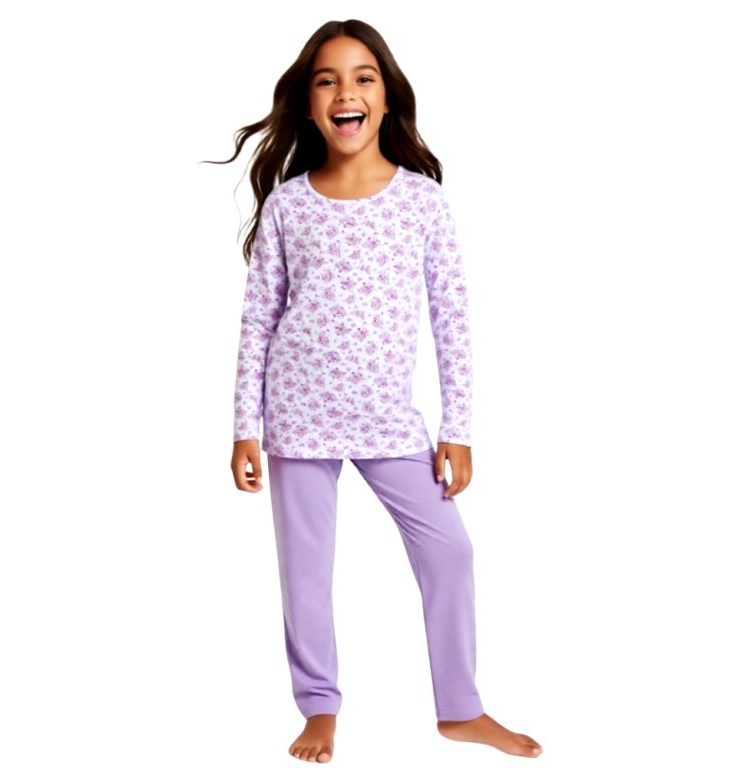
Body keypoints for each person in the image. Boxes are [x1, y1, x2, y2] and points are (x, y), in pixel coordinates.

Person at [206, 19, 542, 763]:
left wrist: (458, 428)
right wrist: (244, 427)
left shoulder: (422, 200)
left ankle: (460, 709)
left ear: (387, 99)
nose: (345, 92)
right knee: (306, 575)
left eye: (363, 78)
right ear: (308, 104)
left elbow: (452, 318)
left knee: (450, 552)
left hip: (390, 421)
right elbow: (257, 320)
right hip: (297, 418)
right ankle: (319, 708)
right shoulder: (289, 205)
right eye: (326, 80)